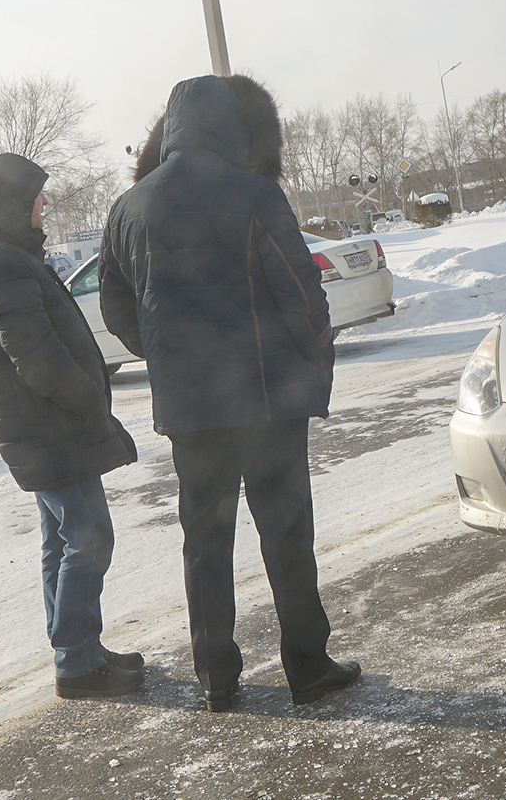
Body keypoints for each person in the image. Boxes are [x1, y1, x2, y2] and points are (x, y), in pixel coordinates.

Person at [99, 73, 360, 713]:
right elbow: (301, 290)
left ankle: (216, 676)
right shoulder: (254, 193)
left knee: (206, 538)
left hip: (189, 408)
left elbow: (115, 307)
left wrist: (167, 354)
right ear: (230, 126)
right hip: (266, 399)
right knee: (286, 533)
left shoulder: (129, 208)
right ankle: (307, 665)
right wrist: (313, 347)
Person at [0, 153, 143, 699]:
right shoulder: (3, 263)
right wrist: (89, 402)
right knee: (87, 538)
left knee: (60, 543)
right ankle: (78, 663)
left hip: (37, 429)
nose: (44, 205)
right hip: (50, 429)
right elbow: (35, 357)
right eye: (37, 196)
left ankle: (77, 652)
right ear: (16, 201)